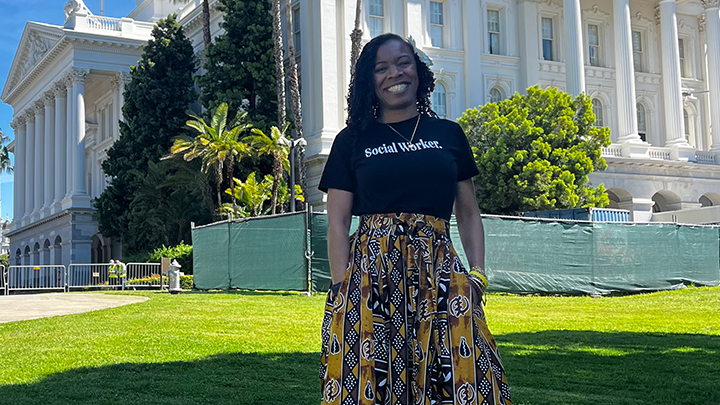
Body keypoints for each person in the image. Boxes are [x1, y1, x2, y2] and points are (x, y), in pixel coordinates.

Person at [318, 33, 511, 405]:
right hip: (370, 275)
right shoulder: (352, 141)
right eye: (382, 67)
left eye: (403, 62)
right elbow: (338, 221)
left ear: (419, 71)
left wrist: (478, 274)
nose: (395, 73)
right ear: (369, 80)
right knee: (370, 380)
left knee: (460, 376)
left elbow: (468, 212)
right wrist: (342, 286)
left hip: (439, 271)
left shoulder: (448, 134)